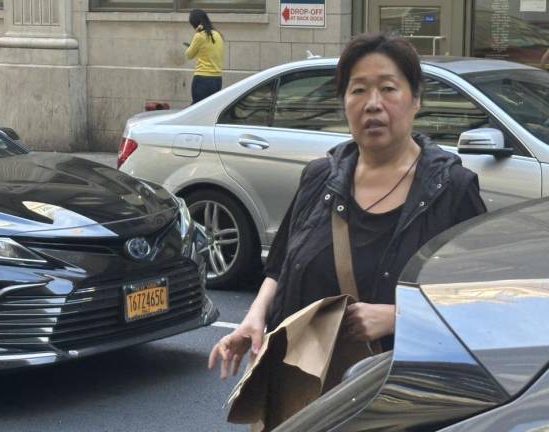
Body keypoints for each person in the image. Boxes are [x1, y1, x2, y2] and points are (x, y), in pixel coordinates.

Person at [208, 32, 487, 380]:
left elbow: (482, 302)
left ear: (416, 99)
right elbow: (279, 267)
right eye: (358, 90)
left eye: (388, 88)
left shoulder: (452, 190)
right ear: (344, 102)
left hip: (402, 395)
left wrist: (395, 317)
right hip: (306, 390)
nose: (373, 103)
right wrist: (255, 317)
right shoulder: (319, 178)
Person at [184, 9, 224, 104]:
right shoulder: (217, 34)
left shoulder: (200, 36)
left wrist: (196, 34)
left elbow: (189, 55)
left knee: (198, 111)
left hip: (202, 79)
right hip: (217, 80)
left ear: (195, 24)